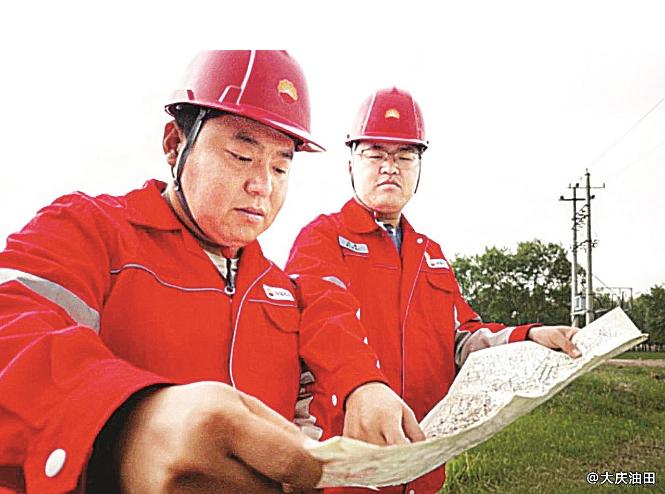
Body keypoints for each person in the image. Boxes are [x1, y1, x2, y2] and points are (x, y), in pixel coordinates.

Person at [0, 50, 336, 494]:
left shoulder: (281, 289)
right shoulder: (88, 231)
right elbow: (12, 331)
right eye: (240, 155)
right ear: (175, 144)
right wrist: (125, 429)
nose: (263, 185)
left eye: (280, 166)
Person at [285, 87, 582, 494]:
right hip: (347, 469)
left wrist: (528, 337)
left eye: (405, 156)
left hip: (420, 470)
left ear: (419, 167)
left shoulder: (431, 255)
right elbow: (324, 317)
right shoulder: (323, 237)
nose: (390, 167)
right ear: (351, 161)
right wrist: (361, 384)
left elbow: (463, 337)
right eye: (375, 153)